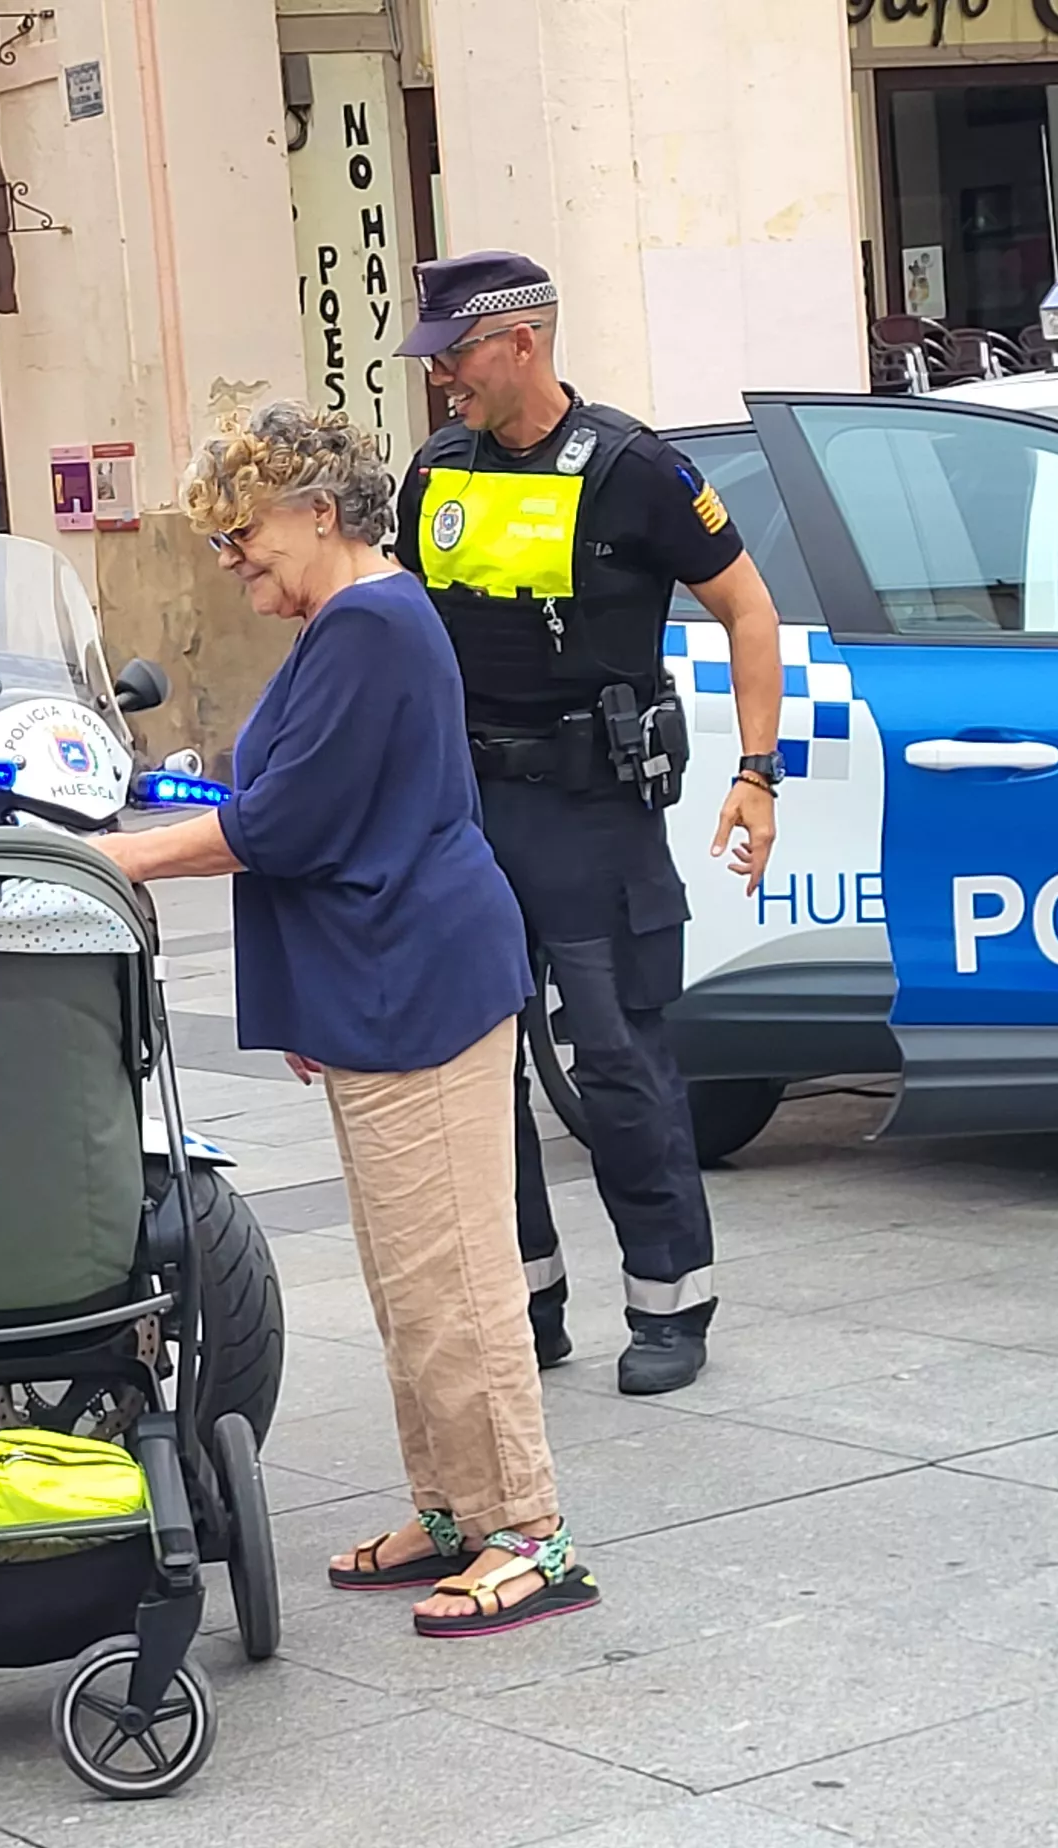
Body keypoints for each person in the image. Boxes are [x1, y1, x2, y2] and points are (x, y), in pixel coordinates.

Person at [95, 402, 593, 1639]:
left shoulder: (368, 621)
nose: (231, 559)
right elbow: (307, 807)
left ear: (319, 510)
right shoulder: (355, 619)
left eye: (244, 533)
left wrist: (133, 857)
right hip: (388, 977)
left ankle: (527, 1533)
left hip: (417, 979)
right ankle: (450, 1511)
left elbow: (285, 824)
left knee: (455, 1277)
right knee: (408, 1275)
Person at [388, 250, 784, 1396]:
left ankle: (670, 1303)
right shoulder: (436, 472)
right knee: (476, 1068)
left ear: (522, 344)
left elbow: (746, 610)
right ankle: (526, 1298)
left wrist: (755, 774)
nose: (441, 381)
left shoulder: (633, 468)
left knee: (615, 1055)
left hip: (589, 810)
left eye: (455, 356)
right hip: (467, 811)